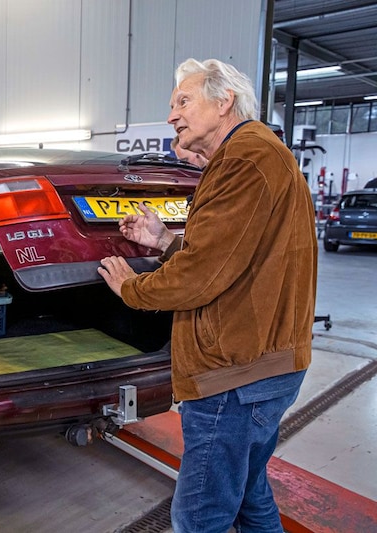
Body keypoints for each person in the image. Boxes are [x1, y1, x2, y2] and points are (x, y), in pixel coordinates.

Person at [98, 58, 317, 532]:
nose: (172, 115)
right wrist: (163, 242)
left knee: (200, 515)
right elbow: (237, 255)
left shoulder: (244, 159)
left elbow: (200, 274)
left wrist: (131, 288)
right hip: (265, 364)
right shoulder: (258, 154)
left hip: (235, 374)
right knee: (248, 497)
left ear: (224, 102)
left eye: (183, 101)